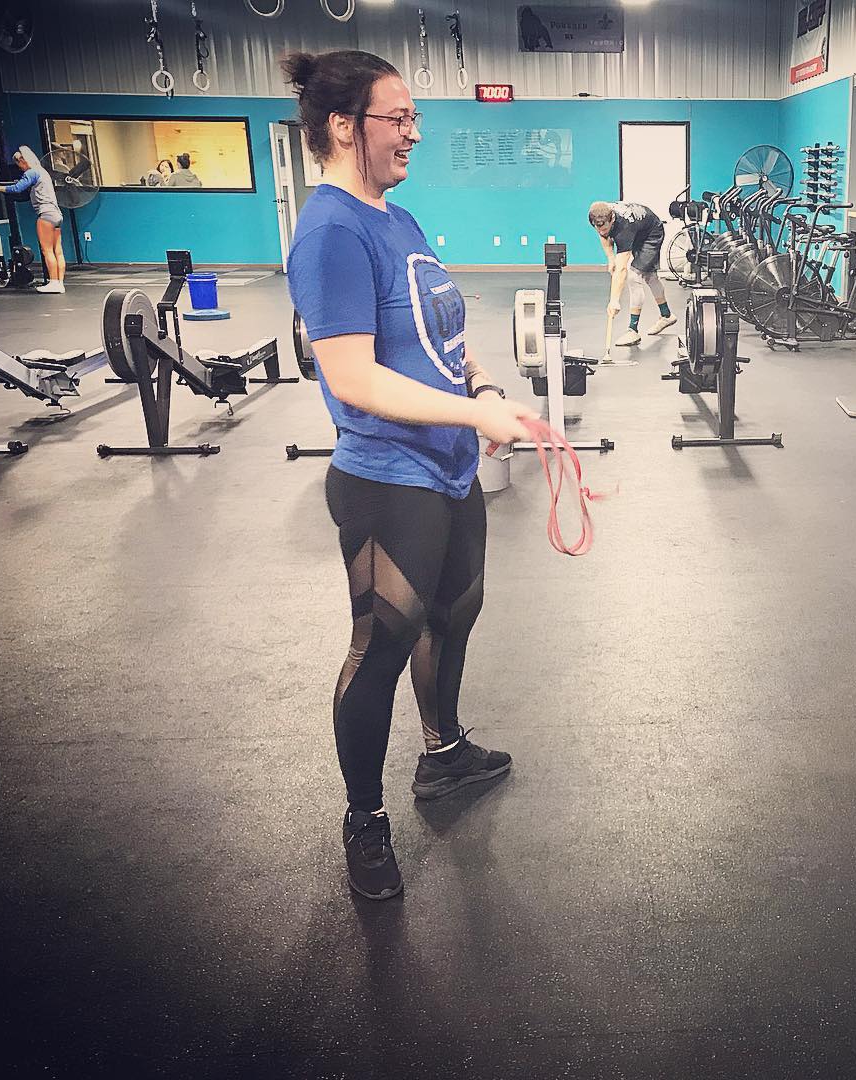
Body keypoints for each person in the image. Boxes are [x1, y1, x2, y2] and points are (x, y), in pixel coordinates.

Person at [283, 49, 539, 901]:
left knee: (454, 612)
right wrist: (474, 418)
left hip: (448, 469)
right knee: (383, 643)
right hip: (387, 479)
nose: (414, 134)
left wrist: (484, 387)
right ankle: (364, 820)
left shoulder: (398, 219)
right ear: (342, 126)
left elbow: (439, 337)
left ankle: (443, 752)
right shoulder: (331, 232)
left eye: (413, 118)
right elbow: (353, 378)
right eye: (398, 119)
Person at [588, 200, 676, 347]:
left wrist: (614, 300)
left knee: (634, 277)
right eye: (598, 228)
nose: (601, 231)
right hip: (638, 231)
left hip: (651, 234)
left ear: (612, 219)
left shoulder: (624, 228)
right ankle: (667, 315)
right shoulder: (596, 215)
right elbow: (604, 235)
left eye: (605, 228)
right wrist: (610, 258)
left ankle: (632, 330)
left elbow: (621, 269)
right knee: (650, 276)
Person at [0, 146, 65, 295]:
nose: (20, 168)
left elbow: (16, 189)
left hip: (46, 215)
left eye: (19, 164)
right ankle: (60, 283)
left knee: (47, 250)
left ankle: (54, 283)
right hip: (57, 215)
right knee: (58, 251)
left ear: (23, 160)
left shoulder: (31, 172)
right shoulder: (42, 172)